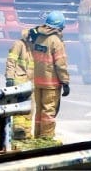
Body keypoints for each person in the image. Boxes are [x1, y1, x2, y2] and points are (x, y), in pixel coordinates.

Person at [30, 11, 70, 140]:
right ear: (59, 26)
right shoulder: (56, 41)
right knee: (49, 111)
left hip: (37, 81)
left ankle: (37, 136)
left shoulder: (38, 37)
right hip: (51, 83)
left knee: (39, 110)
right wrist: (65, 82)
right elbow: (60, 64)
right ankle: (46, 138)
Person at [5, 29, 35, 140]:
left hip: (30, 83)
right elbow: (11, 61)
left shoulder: (34, 46)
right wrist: (9, 77)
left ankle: (26, 134)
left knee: (30, 109)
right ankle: (18, 130)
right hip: (19, 80)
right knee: (19, 106)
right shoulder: (18, 44)